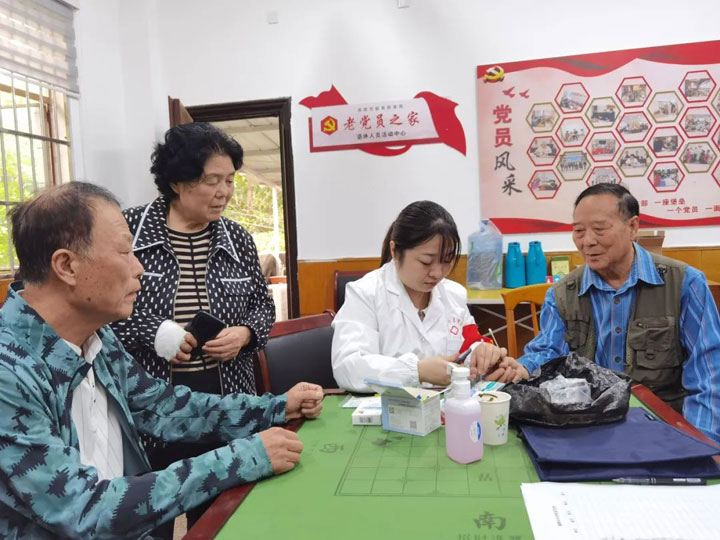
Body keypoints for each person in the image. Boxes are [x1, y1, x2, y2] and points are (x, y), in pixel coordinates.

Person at [0, 182, 323, 539]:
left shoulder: (96, 338)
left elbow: (162, 407)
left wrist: (277, 407)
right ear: (67, 266)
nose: (139, 267)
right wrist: (242, 458)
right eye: (125, 252)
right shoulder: (9, 373)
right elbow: (82, 510)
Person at [109, 123, 276, 523]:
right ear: (177, 183)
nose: (224, 192)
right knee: (150, 514)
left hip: (227, 401)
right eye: (211, 180)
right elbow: (99, 316)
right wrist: (153, 332)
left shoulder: (238, 239)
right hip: (151, 406)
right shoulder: (128, 233)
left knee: (225, 515)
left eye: (230, 180)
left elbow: (263, 306)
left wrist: (245, 334)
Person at [514, 183, 720, 443]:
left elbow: (709, 379)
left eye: (599, 229)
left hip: (662, 430)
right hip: (587, 428)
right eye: (578, 231)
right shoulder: (561, 294)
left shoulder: (685, 284)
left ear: (633, 227)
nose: (587, 241)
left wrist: (700, 445)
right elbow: (548, 353)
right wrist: (521, 367)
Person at [331, 200, 513, 393]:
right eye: (426, 262)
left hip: (445, 405)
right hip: (385, 407)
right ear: (395, 251)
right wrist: (417, 371)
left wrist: (484, 356)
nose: (437, 273)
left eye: (447, 260)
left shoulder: (453, 294)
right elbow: (348, 368)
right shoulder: (365, 293)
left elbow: (467, 347)